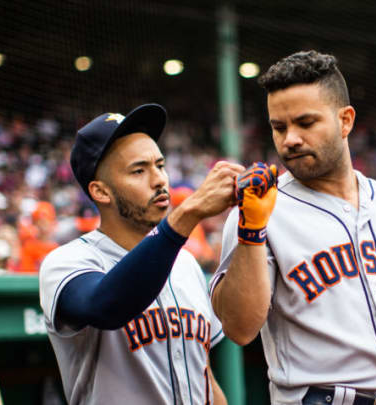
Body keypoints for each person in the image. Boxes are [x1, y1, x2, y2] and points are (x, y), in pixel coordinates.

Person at [210, 51, 376, 405]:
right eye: (279, 127)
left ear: (345, 121)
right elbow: (240, 328)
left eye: (305, 123)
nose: (289, 139)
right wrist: (251, 229)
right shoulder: (260, 211)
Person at [39, 104, 240, 404]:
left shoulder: (185, 264)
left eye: (159, 165)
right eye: (139, 170)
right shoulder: (67, 262)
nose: (159, 179)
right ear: (101, 192)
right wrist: (188, 213)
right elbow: (106, 305)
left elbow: (205, 377)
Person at [18, 201, 58, 272]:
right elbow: (26, 274)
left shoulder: (58, 247)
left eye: (47, 220)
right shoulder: (29, 246)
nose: (43, 224)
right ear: (35, 223)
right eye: (39, 221)